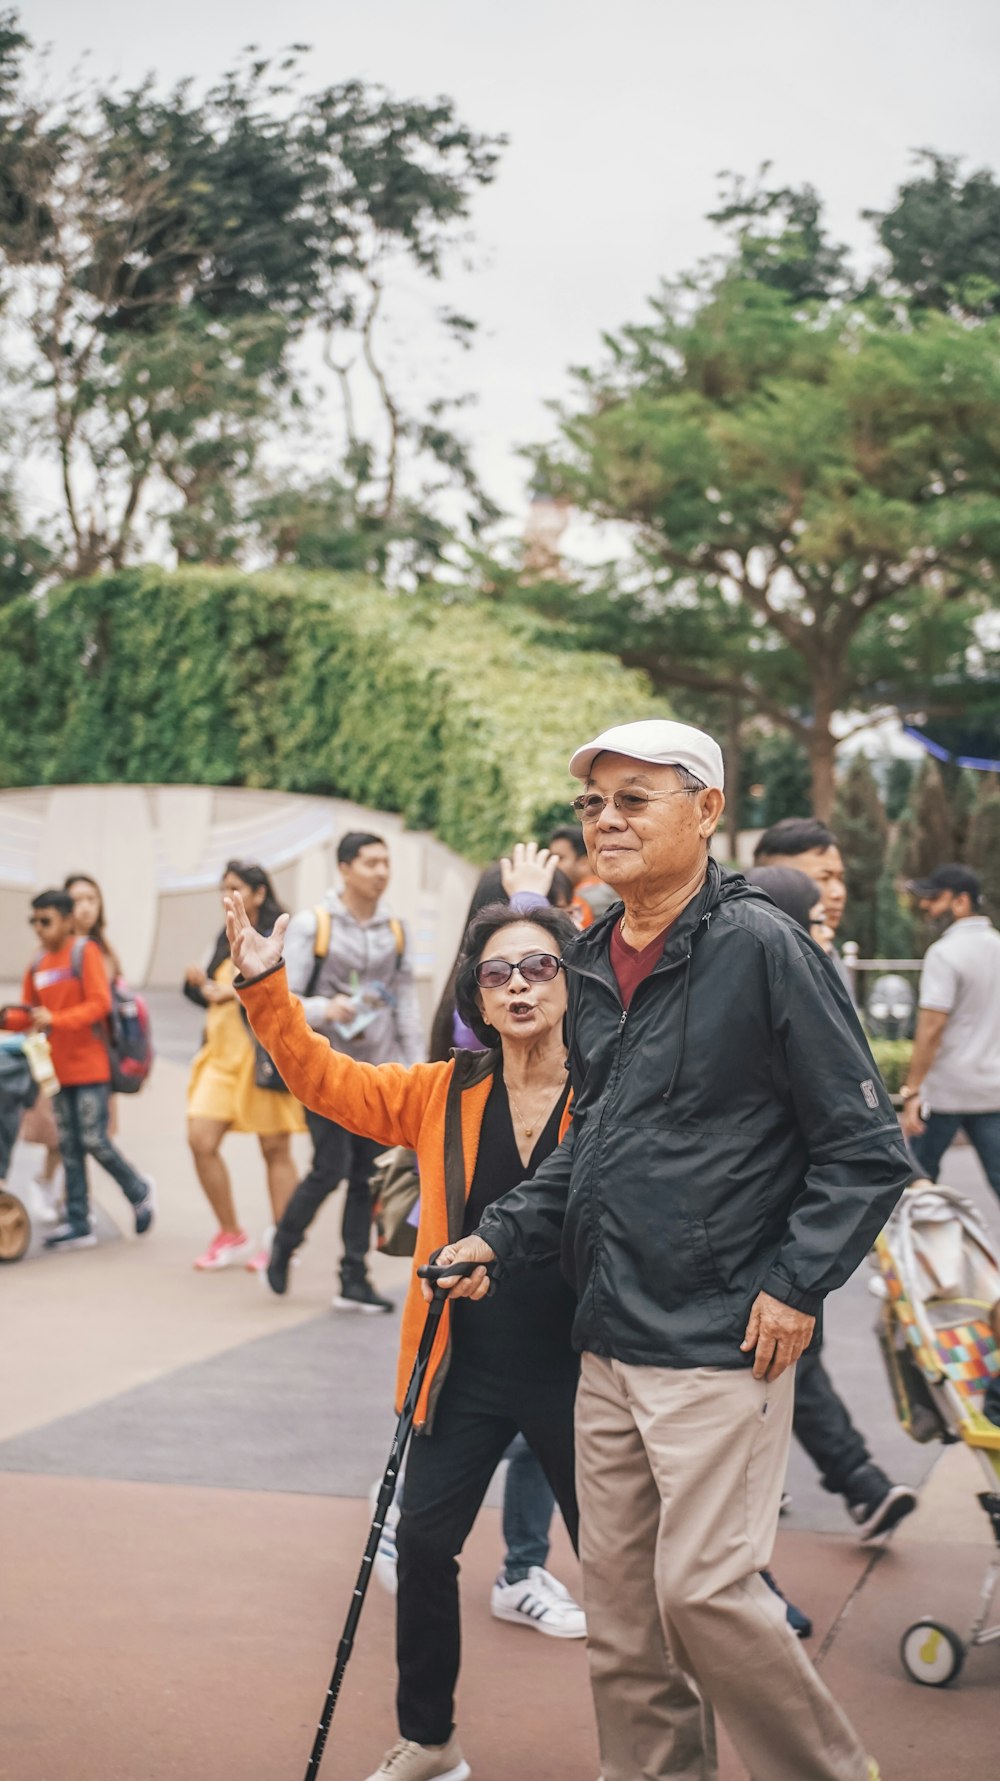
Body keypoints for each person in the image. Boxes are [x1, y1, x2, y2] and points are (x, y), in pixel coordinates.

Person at [437, 717, 910, 1781]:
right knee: (621, 1611)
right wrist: (499, 1233)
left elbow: (863, 1147)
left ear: (707, 810)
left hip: (717, 1335)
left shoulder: (759, 944)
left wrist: (794, 1284)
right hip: (605, 1331)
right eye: (591, 801)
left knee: (702, 1589)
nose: (604, 818)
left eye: (633, 797)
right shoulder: (593, 953)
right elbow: (591, 1140)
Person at [228, 889, 584, 1781]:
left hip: (582, 1369)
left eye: (539, 966)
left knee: (623, 1571)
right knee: (422, 1547)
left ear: (572, 982)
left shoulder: (608, 1096)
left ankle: (645, 1747)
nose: (518, 986)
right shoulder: (442, 1092)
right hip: (461, 1364)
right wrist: (268, 984)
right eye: (497, 972)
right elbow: (325, 1079)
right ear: (477, 995)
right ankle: (430, 1740)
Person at [747, 865, 919, 1540]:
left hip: (792, 1233)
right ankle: (856, 1483)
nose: (829, 926)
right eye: (817, 913)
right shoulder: (766, 991)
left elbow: (859, 1138)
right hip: (769, 1234)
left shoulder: (801, 983)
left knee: (785, 1367)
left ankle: (853, 1484)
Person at [266, 832, 423, 1312]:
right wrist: (322, 1008)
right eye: (371, 862)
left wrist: (416, 1069)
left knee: (366, 1175)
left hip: (378, 1071)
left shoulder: (395, 929)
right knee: (329, 1167)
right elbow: (281, 997)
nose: (381, 871)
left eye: (385, 862)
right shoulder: (315, 925)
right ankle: (285, 1241)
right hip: (324, 1069)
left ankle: (353, 1275)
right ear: (345, 868)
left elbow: (407, 1002)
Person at [1, 890, 154, 1252]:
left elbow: (99, 1004)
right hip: (55, 1070)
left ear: (67, 920)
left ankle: (138, 1190)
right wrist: (12, 1019)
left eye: (46, 920)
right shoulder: (38, 962)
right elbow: (30, 1011)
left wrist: (56, 1019)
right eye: (34, 921)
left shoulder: (83, 952)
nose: (39, 928)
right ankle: (79, 1221)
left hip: (90, 1067)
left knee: (94, 1139)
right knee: (67, 1145)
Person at [184, 861, 304, 1271]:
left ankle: (281, 1242)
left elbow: (290, 994)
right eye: (223, 887)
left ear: (258, 893)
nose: (226, 895)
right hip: (220, 1058)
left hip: (261, 1059)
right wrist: (197, 986)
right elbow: (209, 993)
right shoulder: (223, 934)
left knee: (274, 1148)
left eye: (234, 887)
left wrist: (231, 993)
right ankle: (230, 1231)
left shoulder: (281, 934)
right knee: (200, 1139)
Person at [900, 864, 1000, 1203]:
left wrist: (912, 1090)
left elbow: (932, 1027)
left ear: (961, 902)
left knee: (915, 1181)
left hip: (944, 1092)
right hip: (992, 1090)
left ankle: (917, 1253)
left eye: (933, 898)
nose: (926, 906)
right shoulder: (997, 946)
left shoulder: (944, 953)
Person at [548, 822, 616, 924]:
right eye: (551, 858)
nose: (552, 864)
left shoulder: (580, 901)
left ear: (583, 863)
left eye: (560, 858)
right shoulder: (612, 888)